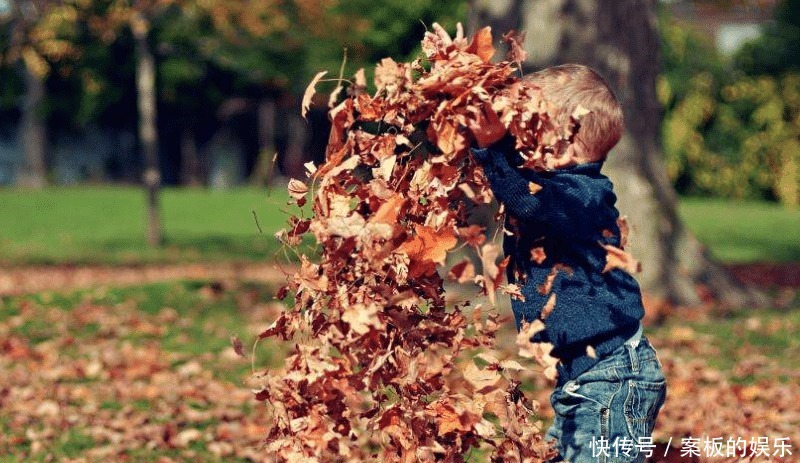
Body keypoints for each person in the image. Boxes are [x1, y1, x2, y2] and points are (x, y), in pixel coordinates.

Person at [469, 64, 667, 463]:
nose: (517, 141)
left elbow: (529, 199)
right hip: (581, 380)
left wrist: (491, 151)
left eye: (529, 130)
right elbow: (523, 182)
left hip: (611, 380)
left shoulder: (582, 196)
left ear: (566, 144)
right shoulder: (560, 186)